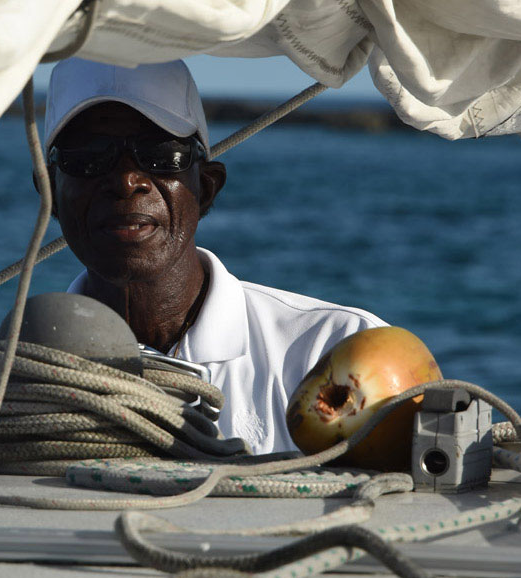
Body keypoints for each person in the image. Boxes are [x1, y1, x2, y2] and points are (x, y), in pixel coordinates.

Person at [44, 58, 385, 455]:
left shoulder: (339, 350)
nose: (126, 181)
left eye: (159, 153)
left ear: (206, 189)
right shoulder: (11, 378)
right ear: (49, 194)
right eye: (86, 156)